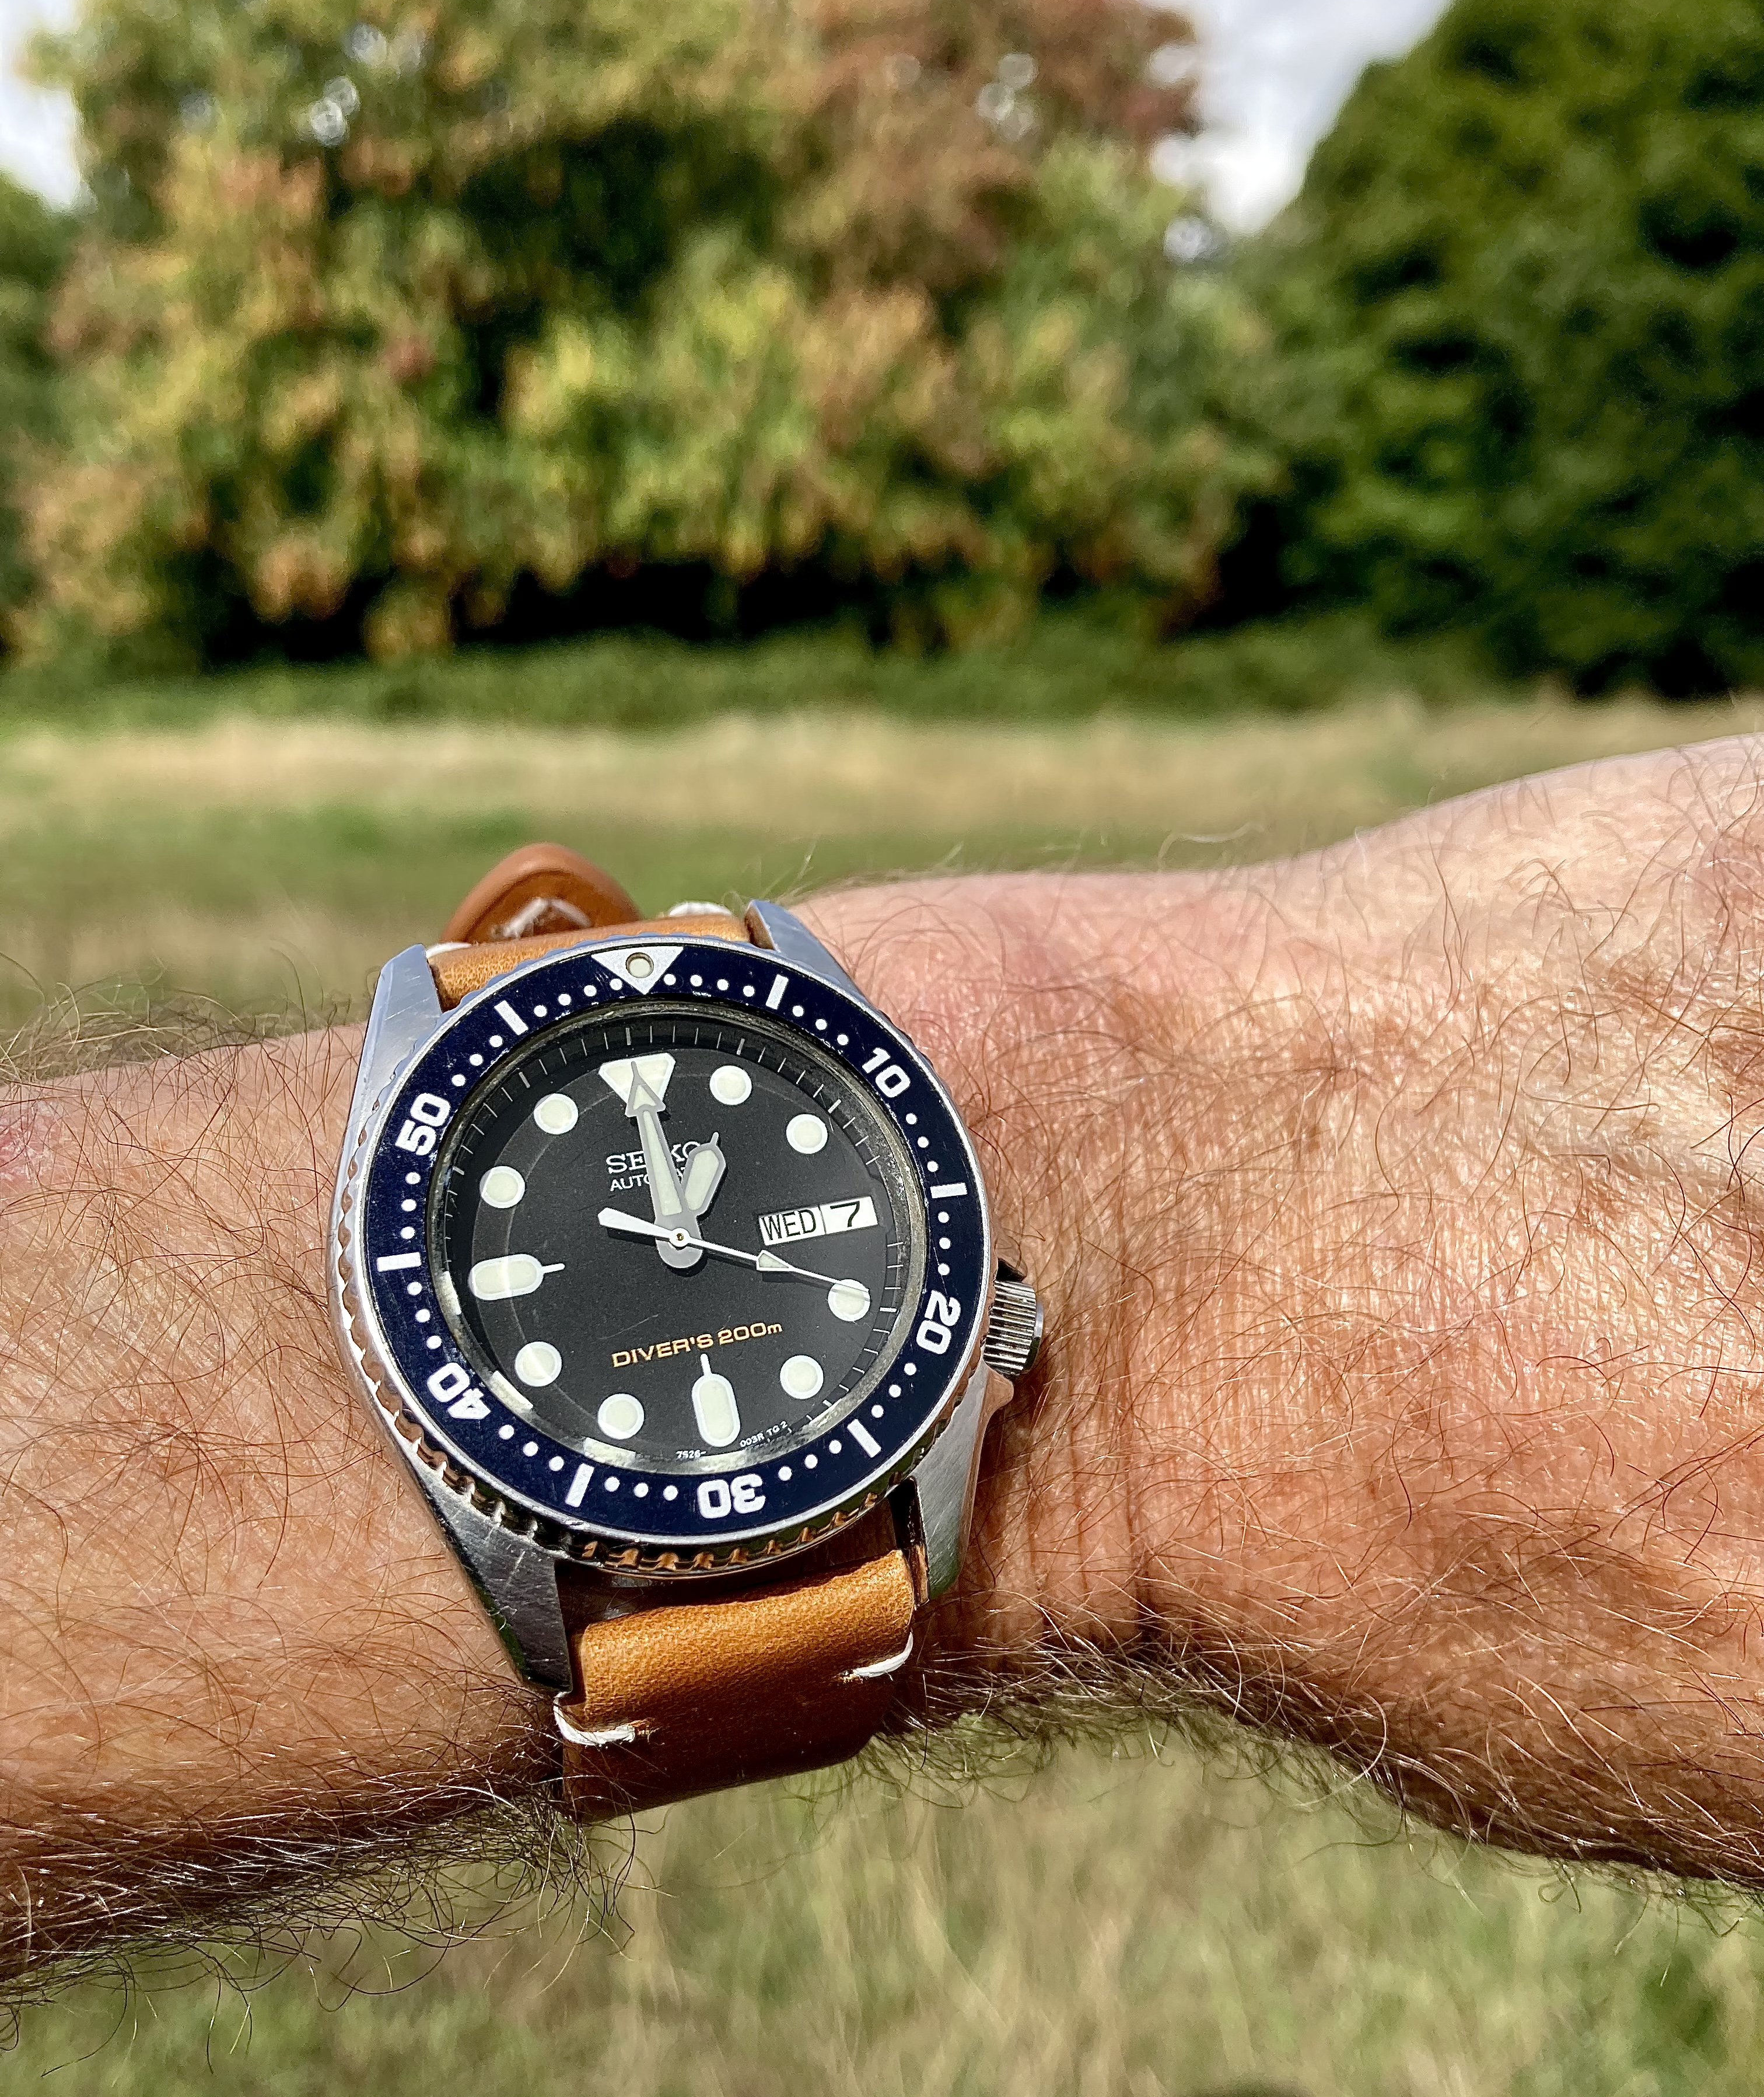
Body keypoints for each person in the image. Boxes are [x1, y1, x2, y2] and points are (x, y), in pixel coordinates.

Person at [8, 730, 1764, 1990]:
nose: (679, 1263)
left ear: (992, 1320)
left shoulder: (908, 1268)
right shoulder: (447, 1289)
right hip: (618, 1537)